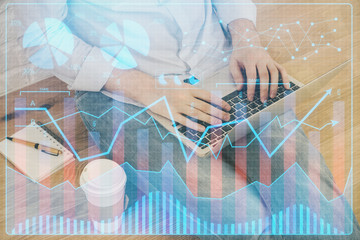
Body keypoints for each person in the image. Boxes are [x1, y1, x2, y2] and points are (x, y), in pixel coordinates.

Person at [15, 0, 359, 238]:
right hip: (123, 91)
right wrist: (147, 89)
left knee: (318, 209)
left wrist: (246, 38)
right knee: (245, 221)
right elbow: (40, 37)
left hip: (218, 64)